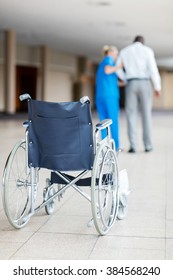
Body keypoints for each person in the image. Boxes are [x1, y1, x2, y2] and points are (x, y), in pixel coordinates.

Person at [117, 35, 161, 153]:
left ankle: (133, 146)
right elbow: (153, 69)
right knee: (146, 114)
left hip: (131, 83)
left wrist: (125, 79)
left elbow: (117, 68)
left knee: (131, 114)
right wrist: (157, 87)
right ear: (143, 42)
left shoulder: (125, 51)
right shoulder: (147, 51)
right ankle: (148, 145)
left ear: (133, 41)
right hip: (145, 83)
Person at [95, 45, 123, 151]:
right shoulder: (109, 60)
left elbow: (108, 79)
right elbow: (108, 70)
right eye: (116, 54)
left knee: (103, 122)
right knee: (113, 121)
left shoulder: (102, 63)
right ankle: (116, 146)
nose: (116, 57)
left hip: (100, 96)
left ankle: (103, 146)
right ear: (111, 52)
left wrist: (123, 83)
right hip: (110, 97)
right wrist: (120, 66)